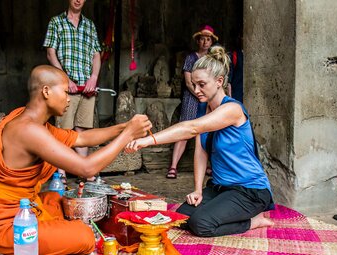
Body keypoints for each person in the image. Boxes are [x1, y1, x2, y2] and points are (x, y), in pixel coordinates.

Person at [0, 65, 152, 255]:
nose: (69, 99)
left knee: (56, 200)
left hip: (8, 208)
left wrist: (125, 126)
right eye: (65, 92)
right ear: (46, 91)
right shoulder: (28, 131)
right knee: (84, 236)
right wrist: (127, 136)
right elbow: (86, 167)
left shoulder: (32, 121)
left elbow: (82, 137)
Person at [125, 46, 274, 237]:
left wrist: (148, 140)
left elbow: (190, 128)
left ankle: (252, 221)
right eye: (194, 84)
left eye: (202, 84)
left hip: (250, 190)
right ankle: (225, 209)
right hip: (221, 188)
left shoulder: (232, 109)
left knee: (201, 224)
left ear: (219, 81)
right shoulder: (205, 110)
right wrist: (197, 190)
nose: (196, 90)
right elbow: (201, 152)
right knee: (181, 216)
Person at [43, 0, 101, 183]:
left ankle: (84, 170)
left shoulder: (89, 25)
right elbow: (50, 52)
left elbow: (96, 54)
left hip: (87, 88)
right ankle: (61, 173)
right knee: (63, 130)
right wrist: (65, 78)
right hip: (65, 87)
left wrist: (94, 77)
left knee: (82, 130)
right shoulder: (56, 22)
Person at [167, 25, 217, 179]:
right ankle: (173, 166)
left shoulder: (212, 60)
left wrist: (208, 96)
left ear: (211, 42)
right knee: (184, 131)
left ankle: (208, 166)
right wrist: (199, 93)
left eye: (208, 39)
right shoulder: (191, 58)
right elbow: (189, 82)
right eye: (203, 39)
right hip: (192, 98)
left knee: (207, 133)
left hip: (208, 99)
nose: (205, 42)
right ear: (198, 40)